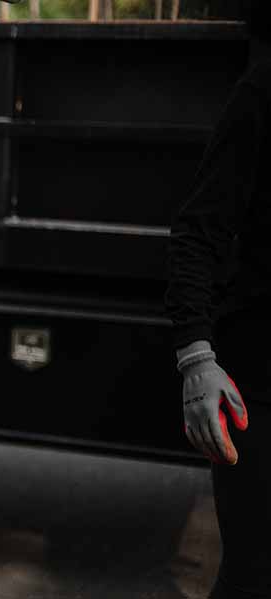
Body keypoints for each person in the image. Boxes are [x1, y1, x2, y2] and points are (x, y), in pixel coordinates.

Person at [165, 61, 271, 598]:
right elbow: (196, 234)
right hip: (261, 380)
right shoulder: (263, 89)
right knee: (256, 574)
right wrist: (197, 361)